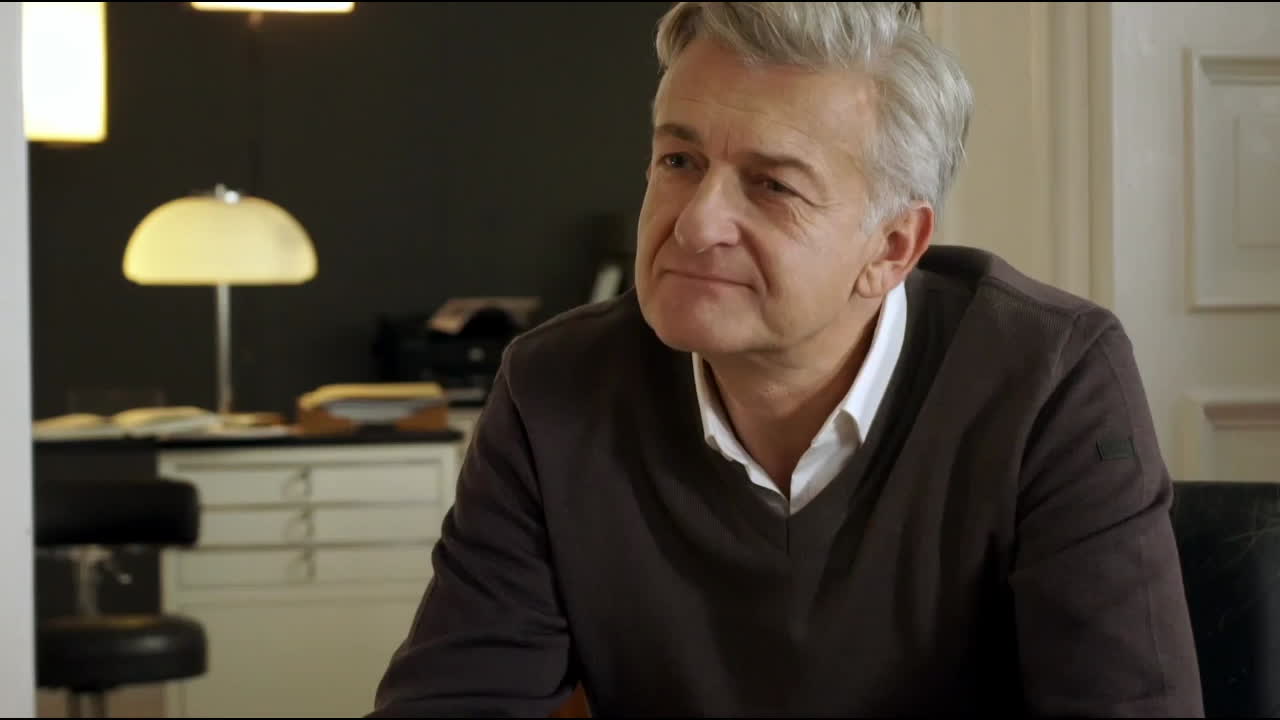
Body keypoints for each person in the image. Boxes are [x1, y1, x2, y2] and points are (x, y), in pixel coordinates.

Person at [370, 2, 1204, 716]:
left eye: (772, 185)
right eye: (679, 161)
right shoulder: (553, 389)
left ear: (892, 247)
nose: (696, 223)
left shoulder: (1050, 378)